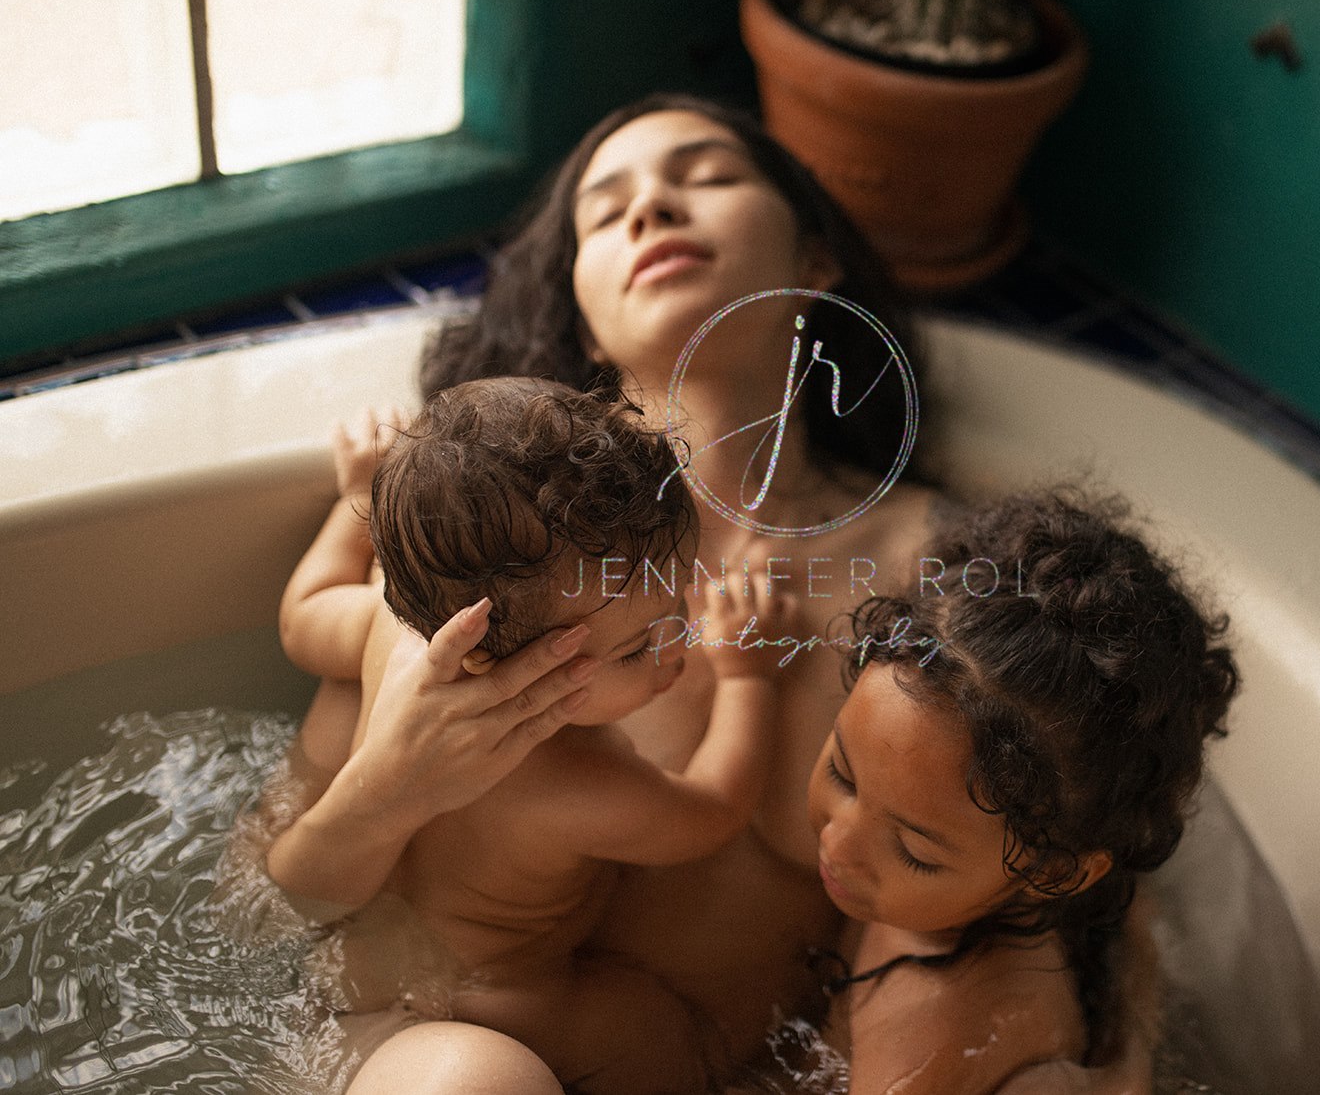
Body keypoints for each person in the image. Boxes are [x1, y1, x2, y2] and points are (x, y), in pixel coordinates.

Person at [270, 94, 1161, 1091]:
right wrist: (386, 789)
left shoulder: (938, 576)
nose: (649, 208)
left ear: (814, 262)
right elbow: (267, 899)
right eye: (605, 213)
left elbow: (1066, 864)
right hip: (429, 1045)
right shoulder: (488, 540)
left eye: (705, 176)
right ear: (582, 320)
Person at [270, 375, 796, 1094]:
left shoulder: (391, 627)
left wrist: (352, 504)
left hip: (334, 977)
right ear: (494, 654)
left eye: (678, 604)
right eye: (638, 647)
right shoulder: (577, 780)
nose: (682, 645)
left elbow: (302, 621)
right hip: (485, 1006)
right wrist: (747, 683)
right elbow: (710, 816)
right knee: (653, 1030)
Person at [803, 488, 1240, 1094]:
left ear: (1057, 872)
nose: (838, 843)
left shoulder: (931, 1040)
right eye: (843, 775)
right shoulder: (1047, 877)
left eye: (915, 852)